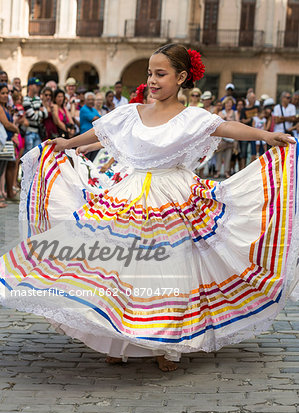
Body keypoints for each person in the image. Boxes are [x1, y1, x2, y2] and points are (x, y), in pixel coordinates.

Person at [0, 44, 298, 373]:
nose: (152, 80)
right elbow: (99, 132)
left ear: (181, 77)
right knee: (119, 270)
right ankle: (117, 339)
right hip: (128, 196)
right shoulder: (132, 112)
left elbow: (226, 127)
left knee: (166, 271)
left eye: (160, 74)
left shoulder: (192, 118)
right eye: (149, 74)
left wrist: (266, 135)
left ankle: (164, 345)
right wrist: (67, 144)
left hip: (172, 197)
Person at [0, 83, 20, 204]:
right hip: (2, 142)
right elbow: (6, 124)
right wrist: (16, 130)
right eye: (2, 93)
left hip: (6, 140)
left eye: (7, 93)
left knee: (2, 169)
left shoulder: (5, 107)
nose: (5, 95)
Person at [23, 77, 48, 156]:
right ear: (30, 86)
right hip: (29, 132)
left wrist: (36, 111)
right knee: (29, 157)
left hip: (38, 132)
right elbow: (32, 116)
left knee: (38, 156)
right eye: (36, 85)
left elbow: (45, 114)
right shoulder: (25, 99)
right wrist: (39, 111)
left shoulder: (38, 99)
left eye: (38, 86)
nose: (38, 87)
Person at [215, 96, 236, 178]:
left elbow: (237, 122)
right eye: (227, 103)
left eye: (230, 104)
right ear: (225, 104)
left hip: (231, 137)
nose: (229, 105)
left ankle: (226, 171)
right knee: (219, 155)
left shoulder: (234, 112)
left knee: (228, 155)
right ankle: (218, 171)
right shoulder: (221, 112)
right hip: (222, 137)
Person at [239, 92, 259, 166]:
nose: (254, 99)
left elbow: (261, 116)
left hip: (254, 132)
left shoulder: (257, 107)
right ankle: (243, 168)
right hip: (246, 132)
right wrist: (251, 119)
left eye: (255, 97)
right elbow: (242, 120)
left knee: (254, 152)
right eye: (253, 98)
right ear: (248, 99)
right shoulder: (244, 109)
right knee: (243, 152)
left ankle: (251, 169)